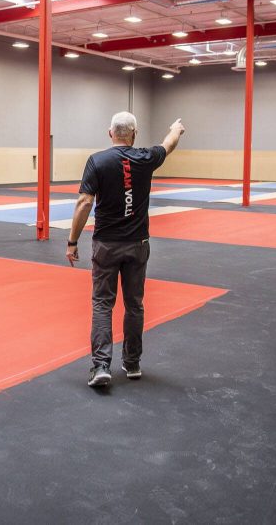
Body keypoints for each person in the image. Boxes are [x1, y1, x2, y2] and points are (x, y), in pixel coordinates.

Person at [66, 112, 185, 388]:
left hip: (106, 245)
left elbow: (84, 202)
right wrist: (176, 128)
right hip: (137, 245)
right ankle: (132, 363)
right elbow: (168, 144)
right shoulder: (146, 158)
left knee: (102, 304)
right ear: (135, 134)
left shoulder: (97, 161)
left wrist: (72, 241)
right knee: (134, 305)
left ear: (110, 133)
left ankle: (100, 366)